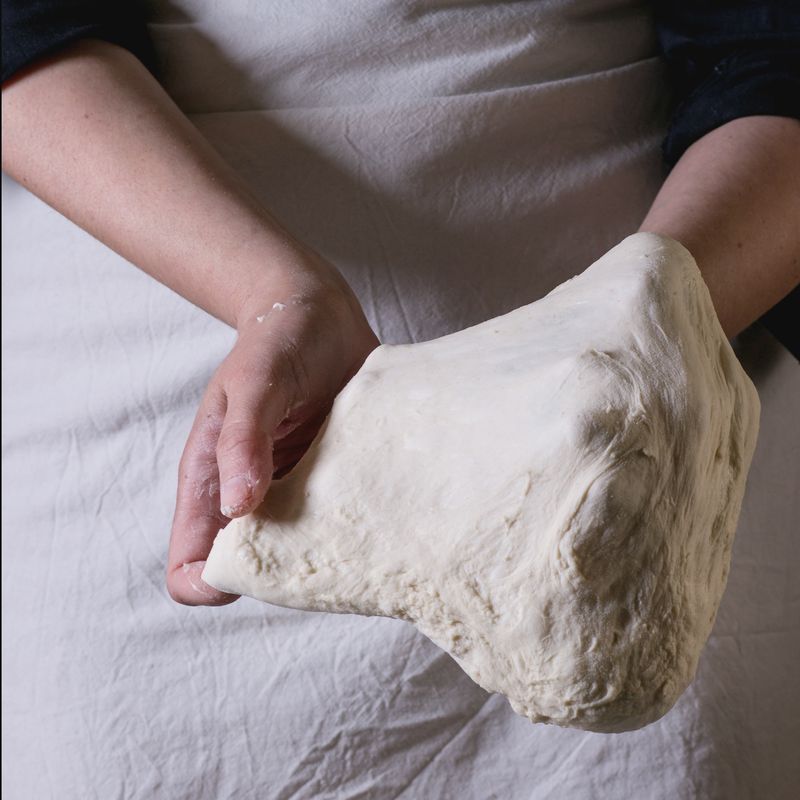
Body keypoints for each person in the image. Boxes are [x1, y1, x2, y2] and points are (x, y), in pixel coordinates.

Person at [2, 0, 799, 613]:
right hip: (165, 366)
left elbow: (773, 50)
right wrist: (269, 294)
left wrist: (642, 329)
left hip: (655, 384)